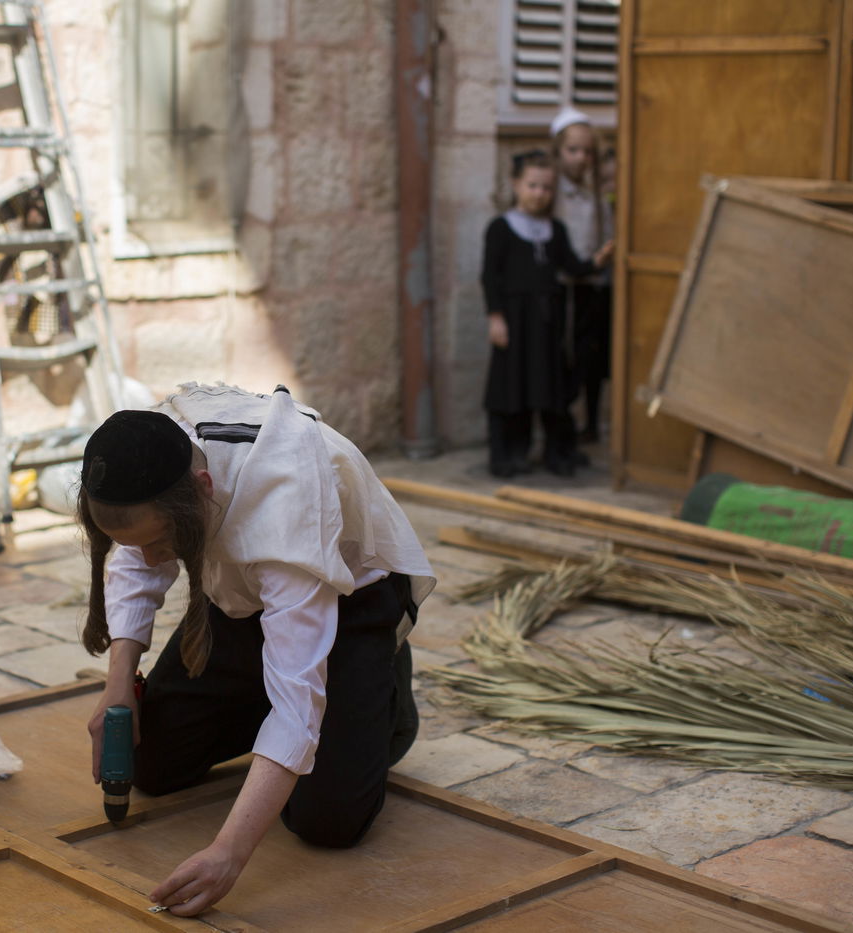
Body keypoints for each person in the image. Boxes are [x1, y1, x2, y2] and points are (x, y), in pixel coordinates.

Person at [77, 383, 436, 917]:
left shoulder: (287, 495)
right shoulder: (150, 449)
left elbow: (295, 702)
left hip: (348, 603)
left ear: (203, 488)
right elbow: (135, 557)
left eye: (162, 545)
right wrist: (118, 689)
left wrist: (228, 853)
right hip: (243, 602)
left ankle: (382, 695)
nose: (153, 560)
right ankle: (261, 710)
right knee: (146, 761)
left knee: (328, 822)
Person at [481, 149, 613, 478]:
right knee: (511, 387)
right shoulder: (500, 228)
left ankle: (558, 452)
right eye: (532, 185)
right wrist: (495, 317)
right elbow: (490, 276)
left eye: (546, 188)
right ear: (515, 184)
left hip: (547, 324)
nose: (539, 194)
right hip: (514, 322)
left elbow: (571, 265)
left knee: (550, 386)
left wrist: (597, 261)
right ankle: (509, 455)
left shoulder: (555, 230)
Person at [551, 108, 614, 445]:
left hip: (594, 283)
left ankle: (589, 423)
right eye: (573, 150)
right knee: (567, 359)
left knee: (592, 357)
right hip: (566, 285)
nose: (581, 159)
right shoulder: (554, 192)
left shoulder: (596, 191)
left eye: (587, 151)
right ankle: (561, 430)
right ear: (559, 151)